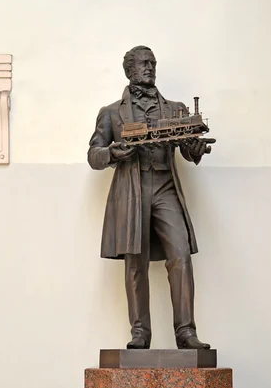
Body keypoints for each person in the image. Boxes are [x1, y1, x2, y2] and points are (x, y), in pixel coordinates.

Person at [88, 45, 213, 350]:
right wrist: (113, 152)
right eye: (144, 63)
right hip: (131, 188)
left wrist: (195, 150)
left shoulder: (175, 109)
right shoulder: (111, 113)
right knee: (135, 260)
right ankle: (140, 331)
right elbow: (94, 154)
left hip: (165, 185)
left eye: (153, 63)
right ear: (129, 70)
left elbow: (188, 148)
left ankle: (186, 331)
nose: (150, 68)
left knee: (180, 254)